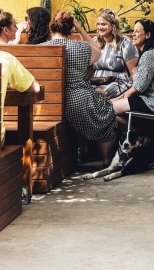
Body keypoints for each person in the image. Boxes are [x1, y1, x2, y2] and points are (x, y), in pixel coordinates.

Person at [45, 11, 118, 165]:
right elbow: (97, 52)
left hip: (49, 104)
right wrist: (80, 29)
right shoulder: (82, 48)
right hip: (77, 100)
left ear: (51, 27)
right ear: (70, 29)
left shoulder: (40, 49)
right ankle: (107, 161)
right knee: (107, 116)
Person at [112, 19, 154, 124]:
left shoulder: (149, 55)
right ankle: (140, 135)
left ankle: (137, 133)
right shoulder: (152, 52)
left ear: (147, 35)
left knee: (110, 109)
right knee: (111, 111)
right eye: (133, 31)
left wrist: (120, 99)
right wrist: (117, 99)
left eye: (137, 31)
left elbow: (138, 88)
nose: (133, 34)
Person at [92, 9, 139, 98]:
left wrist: (134, 91)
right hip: (97, 82)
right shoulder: (95, 42)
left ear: (113, 26)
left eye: (103, 24)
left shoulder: (125, 43)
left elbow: (134, 72)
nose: (100, 27)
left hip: (118, 83)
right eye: (98, 24)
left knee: (97, 95)